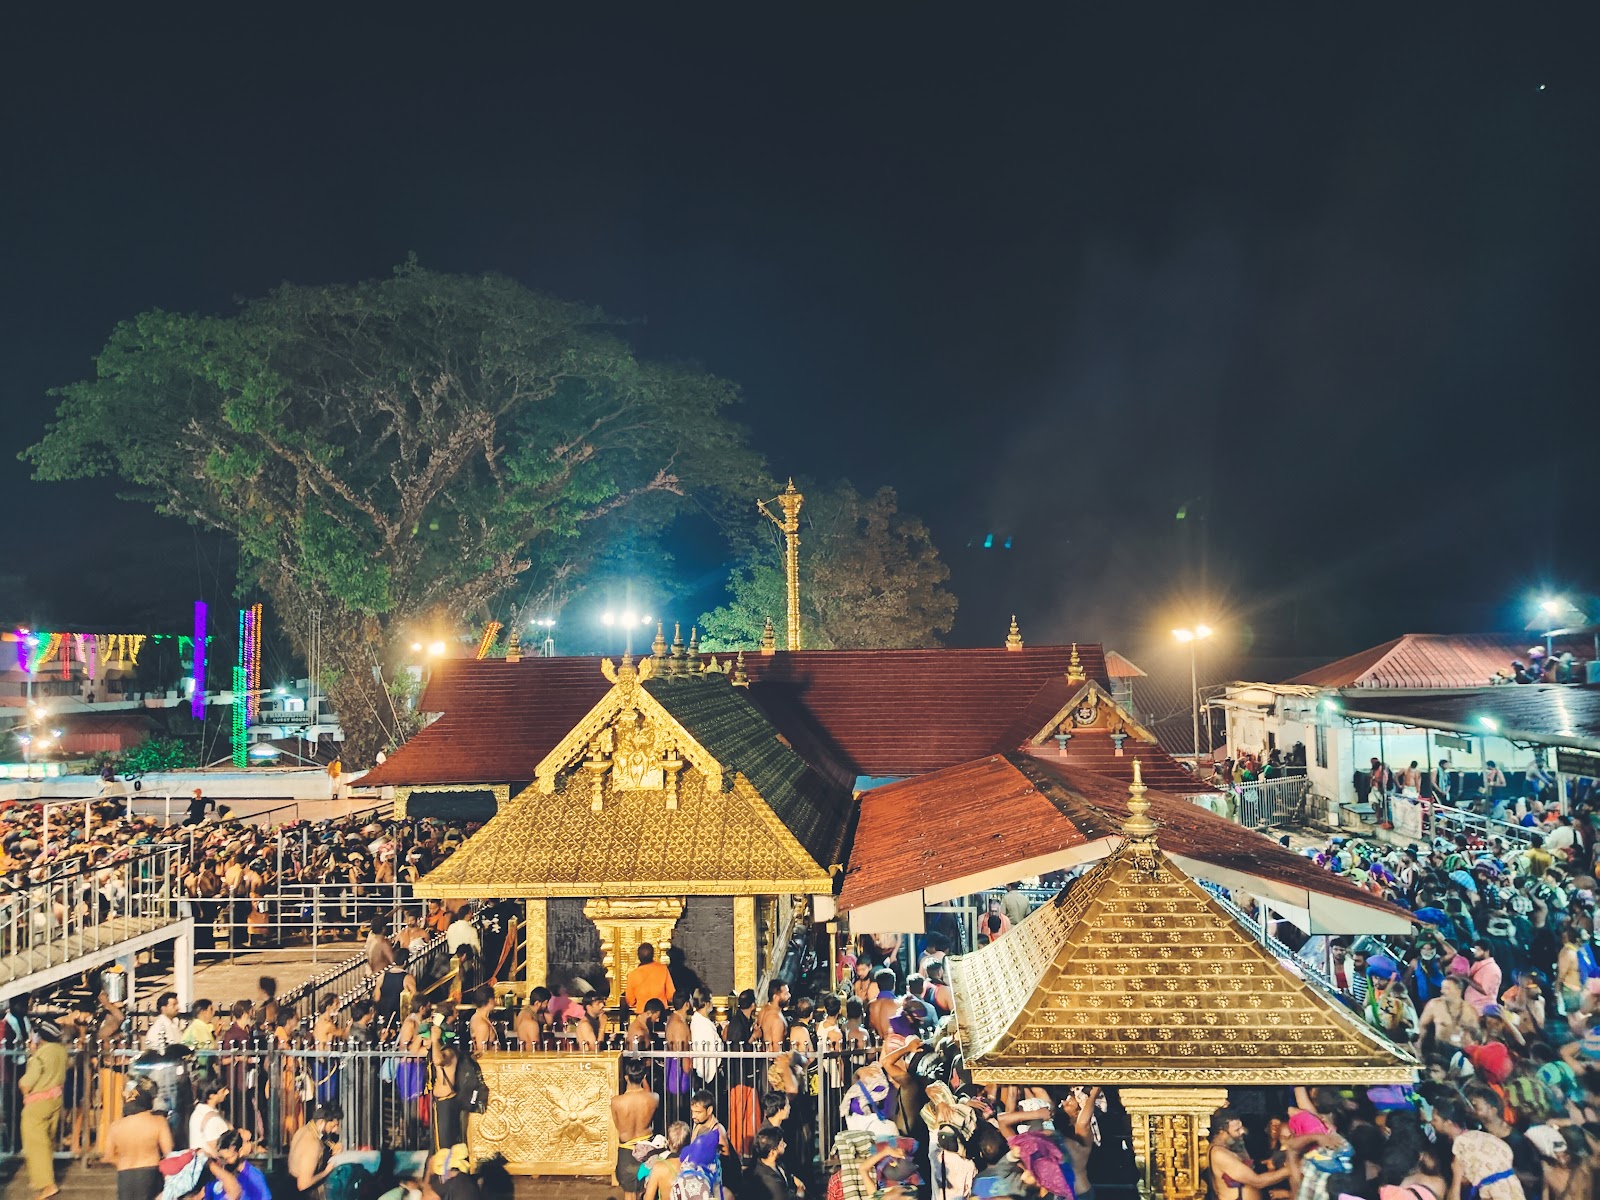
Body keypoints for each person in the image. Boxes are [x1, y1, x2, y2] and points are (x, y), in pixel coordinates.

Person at [19, 1019, 68, 1200]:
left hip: (37, 1104)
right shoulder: (61, 1051)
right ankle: (48, 1179)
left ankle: (47, 1185)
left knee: (36, 1145)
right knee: (47, 1141)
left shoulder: (40, 1056)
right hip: (55, 1099)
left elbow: (26, 1083)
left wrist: (33, 1055)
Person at [103, 1082, 172, 1200]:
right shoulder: (158, 1122)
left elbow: (108, 1156)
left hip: (125, 1175)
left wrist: (122, 1161)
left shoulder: (115, 1126)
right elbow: (169, 1153)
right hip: (150, 1172)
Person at [1208, 1108, 1288, 1200]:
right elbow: (1258, 1181)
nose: (1242, 1131)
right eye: (1237, 1130)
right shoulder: (1219, 1154)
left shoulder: (1232, 1144)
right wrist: (1290, 1169)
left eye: (1241, 1127)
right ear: (1221, 1132)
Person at [611, 1057, 659, 1200]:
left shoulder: (616, 1102)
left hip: (626, 1151)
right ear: (644, 1076)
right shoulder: (654, 1098)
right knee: (647, 1191)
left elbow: (617, 1125)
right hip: (647, 1149)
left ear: (626, 1077)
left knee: (629, 1194)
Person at [288, 1102, 343, 1200]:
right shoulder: (312, 1144)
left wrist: (332, 1147)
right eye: (333, 1125)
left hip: (290, 1185)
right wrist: (327, 1171)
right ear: (322, 1122)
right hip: (303, 1195)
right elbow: (303, 1184)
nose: (335, 1130)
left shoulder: (303, 1130)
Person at [205, 1129, 271, 1200]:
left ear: (240, 1152)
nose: (225, 1162)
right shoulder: (220, 1174)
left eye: (229, 1158)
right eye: (222, 1158)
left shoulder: (255, 1177)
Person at [641, 1120, 689, 1200]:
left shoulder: (659, 1167)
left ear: (668, 1141)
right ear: (688, 1142)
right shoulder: (696, 1165)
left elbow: (648, 1198)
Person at [624, 943, 675, 1014]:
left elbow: (630, 1001)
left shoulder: (632, 975)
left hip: (643, 1013)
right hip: (660, 1012)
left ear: (638, 957)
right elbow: (671, 995)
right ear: (653, 955)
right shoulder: (663, 969)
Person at [188, 1073, 231, 1154]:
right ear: (211, 1096)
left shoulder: (198, 1112)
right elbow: (215, 1149)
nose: (227, 1092)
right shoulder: (212, 1120)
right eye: (223, 1091)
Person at [749, 1125, 795, 1199]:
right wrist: (800, 1193)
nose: (785, 1145)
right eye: (781, 1144)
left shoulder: (776, 1163)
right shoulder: (771, 1182)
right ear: (773, 1152)